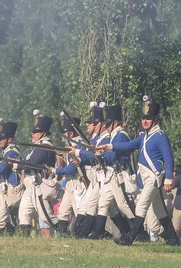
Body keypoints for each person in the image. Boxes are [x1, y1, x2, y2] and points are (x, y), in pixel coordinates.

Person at [98, 95, 178, 246]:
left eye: (148, 118)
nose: (145, 121)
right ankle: (174, 238)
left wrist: (168, 179)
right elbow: (128, 146)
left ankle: (129, 238)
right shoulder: (145, 137)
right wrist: (109, 147)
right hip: (146, 179)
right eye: (143, 118)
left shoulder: (160, 136)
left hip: (154, 178)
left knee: (141, 206)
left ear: (155, 119)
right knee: (159, 211)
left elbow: (169, 158)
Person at [87, 105, 135, 239]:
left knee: (122, 205)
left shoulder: (120, 135)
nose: (106, 127)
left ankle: (139, 232)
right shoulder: (115, 135)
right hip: (113, 174)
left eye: (108, 124)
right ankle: (97, 232)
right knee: (103, 203)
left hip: (121, 174)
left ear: (115, 123)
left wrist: (99, 154)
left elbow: (112, 156)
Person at [18, 110, 58, 238]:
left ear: (44, 133)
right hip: (30, 187)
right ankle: (23, 240)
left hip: (38, 186)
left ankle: (67, 234)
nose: (32, 133)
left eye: (36, 132)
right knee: (23, 213)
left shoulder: (46, 146)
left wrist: (18, 164)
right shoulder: (38, 146)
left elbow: (32, 163)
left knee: (47, 217)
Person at [72, 102, 107, 238]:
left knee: (93, 206)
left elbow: (95, 156)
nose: (88, 125)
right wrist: (79, 159)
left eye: (91, 123)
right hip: (94, 179)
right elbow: (90, 158)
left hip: (100, 178)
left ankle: (84, 234)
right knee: (87, 206)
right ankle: (85, 233)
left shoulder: (100, 139)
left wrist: (78, 153)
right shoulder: (93, 140)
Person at [50, 115, 86, 236]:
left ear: (70, 134)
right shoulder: (72, 146)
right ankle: (64, 237)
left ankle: (85, 235)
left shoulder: (77, 147)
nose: (62, 139)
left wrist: (55, 171)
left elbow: (71, 170)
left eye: (64, 134)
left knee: (79, 212)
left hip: (78, 184)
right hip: (71, 184)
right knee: (63, 212)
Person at [0, 120, 23, 235]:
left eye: (2, 138)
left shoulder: (11, 153)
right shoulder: (6, 152)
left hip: (13, 190)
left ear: (9, 139)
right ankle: (14, 235)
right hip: (5, 190)